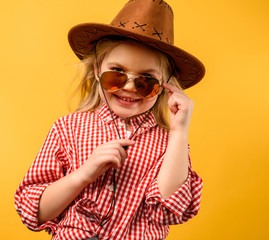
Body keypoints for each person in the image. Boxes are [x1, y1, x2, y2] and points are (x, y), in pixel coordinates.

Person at [14, 0, 205, 239]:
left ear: (164, 85)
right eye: (117, 73)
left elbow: (169, 210)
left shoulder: (170, 144)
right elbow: (34, 212)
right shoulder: (68, 129)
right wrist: (84, 174)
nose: (129, 87)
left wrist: (179, 132)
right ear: (96, 69)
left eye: (146, 79)